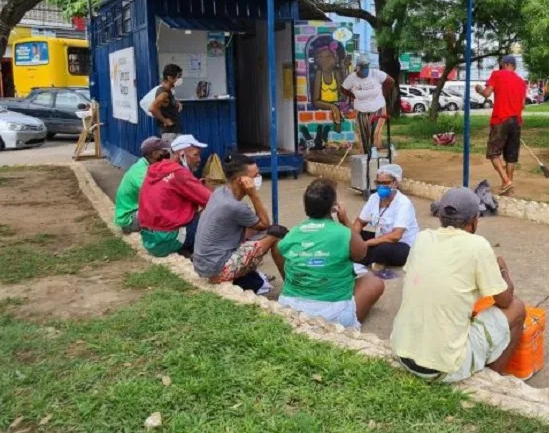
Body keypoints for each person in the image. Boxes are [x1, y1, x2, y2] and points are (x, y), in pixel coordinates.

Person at [390, 187, 525, 383]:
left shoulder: (422, 238)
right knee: (517, 308)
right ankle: (493, 380)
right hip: (441, 367)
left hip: (402, 352)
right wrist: (503, 271)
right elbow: (505, 301)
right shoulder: (478, 246)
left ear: (440, 218)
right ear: (474, 220)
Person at [273, 178, 385, 329]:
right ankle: (348, 328)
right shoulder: (344, 234)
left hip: (291, 308)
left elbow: (280, 252)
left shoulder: (292, 233)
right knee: (373, 282)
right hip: (333, 314)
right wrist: (344, 220)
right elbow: (362, 253)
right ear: (334, 207)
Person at [193, 153, 281, 286]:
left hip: (203, 264)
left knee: (255, 230)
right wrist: (254, 194)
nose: (258, 178)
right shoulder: (235, 206)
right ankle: (292, 288)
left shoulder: (219, 192)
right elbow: (265, 223)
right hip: (216, 271)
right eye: (254, 176)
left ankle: (252, 277)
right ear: (241, 181)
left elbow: (254, 226)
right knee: (277, 234)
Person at [137, 134, 211, 256]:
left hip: (149, 238)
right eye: (195, 155)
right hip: (167, 239)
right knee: (214, 218)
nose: (199, 159)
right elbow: (212, 201)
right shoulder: (179, 173)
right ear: (181, 154)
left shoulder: (155, 168)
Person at [348, 164, 418, 268]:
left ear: (395, 183)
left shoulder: (403, 203)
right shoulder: (374, 198)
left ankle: (359, 255)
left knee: (382, 249)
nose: (381, 186)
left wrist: (367, 243)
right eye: (378, 183)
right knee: (347, 235)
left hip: (402, 245)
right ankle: (371, 259)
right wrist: (353, 238)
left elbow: (396, 236)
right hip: (380, 238)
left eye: (386, 183)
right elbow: (359, 222)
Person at [476, 56, 527, 195]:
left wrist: (479, 89)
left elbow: (487, 93)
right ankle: (507, 187)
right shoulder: (522, 82)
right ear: (514, 66)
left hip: (501, 119)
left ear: (504, 64)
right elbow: (523, 105)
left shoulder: (497, 74)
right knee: (511, 156)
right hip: (516, 121)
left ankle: (506, 180)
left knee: (493, 153)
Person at [114, 136, 171, 234]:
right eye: (164, 151)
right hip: (129, 220)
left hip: (136, 211)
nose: (167, 154)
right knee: (165, 207)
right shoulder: (142, 172)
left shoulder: (146, 165)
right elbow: (159, 197)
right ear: (155, 154)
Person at [341, 55, 395, 154]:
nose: (364, 69)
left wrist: (384, 93)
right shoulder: (352, 78)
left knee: (375, 133)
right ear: (357, 67)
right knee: (363, 135)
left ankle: (376, 156)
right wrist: (353, 96)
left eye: (366, 67)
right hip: (360, 110)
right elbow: (343, 89)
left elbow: (391, 81)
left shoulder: (376, 74)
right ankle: (365, 157)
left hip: (378, 107)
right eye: (362, 67)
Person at [150, 64, 184, 142]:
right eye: (178, 77)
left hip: (174, 131)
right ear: (169, 78)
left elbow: (166, 105)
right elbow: (152, 108)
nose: (180, 79)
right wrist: (165, 120)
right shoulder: (163, 93)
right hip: (169, 134)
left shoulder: (168, 91)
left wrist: (176, 104)